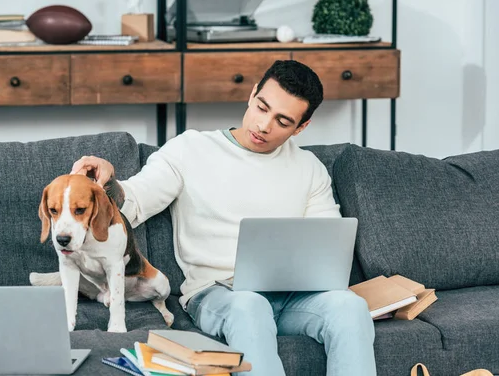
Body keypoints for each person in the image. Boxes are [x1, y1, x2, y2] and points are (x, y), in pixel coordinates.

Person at [70, 60, 376, 376]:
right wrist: (107, 184)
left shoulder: (310, 168)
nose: (264, 125)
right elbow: (134, 201)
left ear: (301, 127)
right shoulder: (191, 149)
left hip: (292, 298)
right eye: (262, 108)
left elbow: (327, 247)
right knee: (250, 305)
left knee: (351, 307)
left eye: (282, 121)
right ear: (253, 93)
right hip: (218, 294)